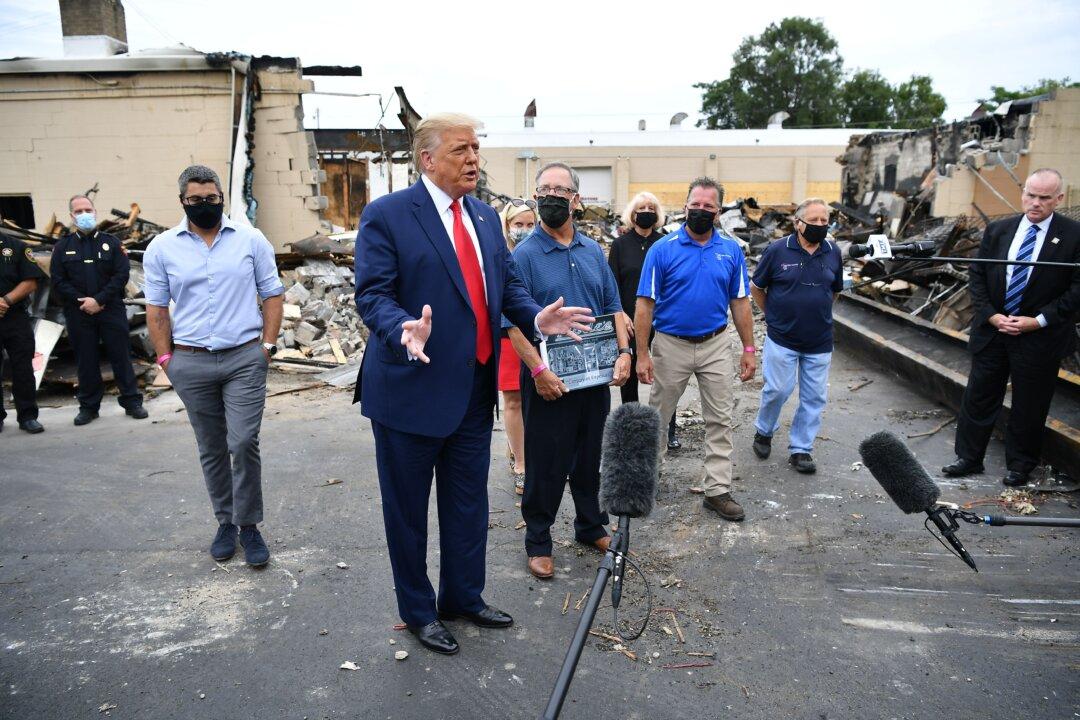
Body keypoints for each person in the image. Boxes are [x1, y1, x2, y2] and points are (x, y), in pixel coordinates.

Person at [353, 114, 594, 656]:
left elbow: (506, 286)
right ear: (427, 159)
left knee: (467, 505)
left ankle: (463, 596)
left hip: (470, 391)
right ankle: (419, 611)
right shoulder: (388, 215)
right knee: (408, 513)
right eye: (461, 150)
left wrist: (537, 318)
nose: (473, 160)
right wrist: (401, 327)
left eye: (477, 149)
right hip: (410, 389)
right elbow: (372, 294)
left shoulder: (484, 217)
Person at [143, 165, 284, 568]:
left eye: (212, 198)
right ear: (182, 201)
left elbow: (273, 294)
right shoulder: (162, 248)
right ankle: (226, 522)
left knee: (242, 441)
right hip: (190, 361)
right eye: (196, 199)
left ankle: (249, 525)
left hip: (244, 358)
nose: (205, 205)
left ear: (221, 197)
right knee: (211, 446)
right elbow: (157, 309)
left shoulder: (251, 240)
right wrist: (166, 359)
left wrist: (266, 347)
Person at [509, 161, 631, 581]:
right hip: (549, 379)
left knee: (589, 455)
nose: (551, 197)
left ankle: (590, 525)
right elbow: (512, 324)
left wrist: (624, 352)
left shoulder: (593, 251)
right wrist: (539, 371)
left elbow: (613, 307)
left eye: (560, 190)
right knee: (546, 461)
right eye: (543, 190)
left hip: (594, 378)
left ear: (576, 200)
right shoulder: (524, 256)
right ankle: (538, 541)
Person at [942, 168, 1080, 487]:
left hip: (1039, 336)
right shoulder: (999, 230)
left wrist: (1038, 320)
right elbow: (978, 275)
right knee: (979, 396)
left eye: (1044, 197)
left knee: (1030, 404)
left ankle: (1020, 465)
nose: (1035, 203)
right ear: (1023, 193)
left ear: (1059, 198)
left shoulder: (1073, 235)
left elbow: (1077, 289)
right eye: (1030, 195)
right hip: (994, 331)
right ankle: (968, 458)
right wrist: (991, 315)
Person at [635, 177, 756, 521]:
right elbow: (645, 303)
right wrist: (642, 353)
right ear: (685, 206)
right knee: (659, 415)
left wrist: (749, 348)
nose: (701, 210)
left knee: (720, 418)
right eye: (696, 204)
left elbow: (740, 301)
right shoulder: (663, 249)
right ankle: (647, 480)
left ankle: (717, 490)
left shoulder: (730, 250)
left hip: (715, 344)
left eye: (708, 206)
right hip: (671, 344)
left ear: (718, 212)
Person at [748, 198, 844, 474]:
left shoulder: (833, 252)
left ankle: (801, 449)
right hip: (783, 338)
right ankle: (764, 431)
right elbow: (756, 287)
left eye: (824, 221)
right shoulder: (778, 250)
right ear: (798, 223)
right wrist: (773, 315)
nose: (820, 225)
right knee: (777, 390)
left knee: (814, 398)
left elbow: (834, 291)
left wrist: (817, 310)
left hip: (819, 340)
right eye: (813, 220)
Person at [50, 195, 147, 425]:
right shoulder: (62, 247)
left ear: (94, 212)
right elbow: (58, 280)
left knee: (121, 356)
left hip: (111, 309)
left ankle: (132, 402)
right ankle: (89, 407)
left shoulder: (111, 243)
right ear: (72, 216)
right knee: (86, 360)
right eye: (79, 211)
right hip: (79, 312)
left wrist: (99, 300)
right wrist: (84, 301)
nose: (84, 214)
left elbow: (121, 275)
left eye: (88, 209)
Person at [608, 191, 681, 449]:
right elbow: (612, 284)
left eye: (652, 208)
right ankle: (631, 429)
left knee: (667, 378)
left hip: (661, 322)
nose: (647, 211)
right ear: (633, 213)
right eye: (642, 208)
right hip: (629, 321)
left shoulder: (666, 244)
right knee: (628, 377)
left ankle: (668, 430)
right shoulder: (620, 245)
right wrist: (620, 315)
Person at [498, 198, 536, 493]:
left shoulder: (538, 254)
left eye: (530, 224)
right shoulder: (498, 255)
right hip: (506, 335)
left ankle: (526, 450)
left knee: (537, 399)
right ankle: (521, 463)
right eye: (518, 224)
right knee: (513, 399)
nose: (524, 229)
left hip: (536, 334)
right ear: (507, 225)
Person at [0, 226, 45, 434]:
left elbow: (30, 282)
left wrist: (6, 300)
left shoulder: (17, 246)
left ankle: (28, 416)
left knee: (23, 368)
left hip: (15, 317)